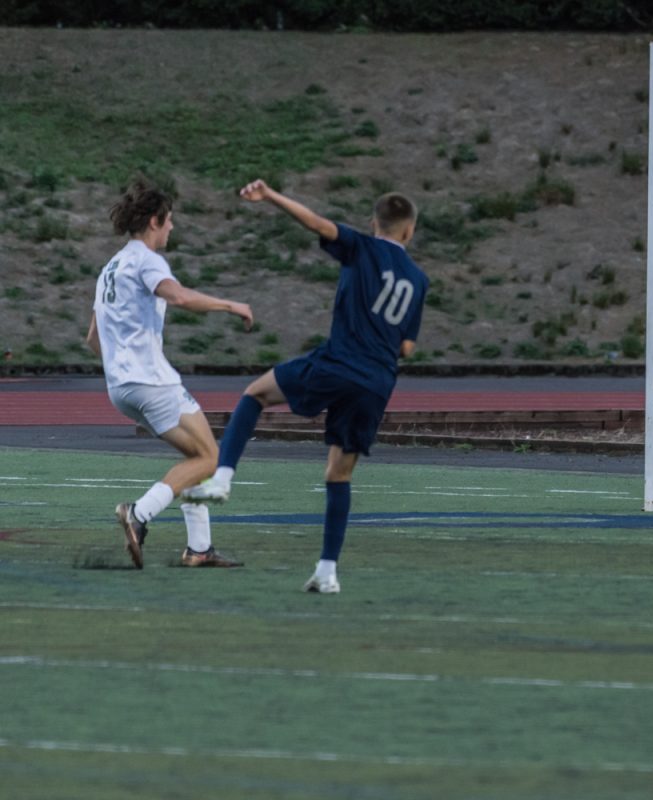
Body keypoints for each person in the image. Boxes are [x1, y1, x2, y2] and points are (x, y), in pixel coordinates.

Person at [183, 179, 428, 595]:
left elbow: (318, 224)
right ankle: (327, 571)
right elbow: (407, 346)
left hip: (340, 361)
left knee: (255, 394)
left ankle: (223, 479)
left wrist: (272, 196)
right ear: (409, 231)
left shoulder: (363, 247)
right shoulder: (418, 280)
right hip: (378, 382)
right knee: (339, 475)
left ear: (374, 224)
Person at [87, 178, 253, 569]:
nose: (173, 228)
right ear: (154, 221)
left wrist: (122, 362)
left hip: (120, 386)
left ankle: (199, 549)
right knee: (213, 458)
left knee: (195, 457)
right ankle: (139, 514)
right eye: (170, 221)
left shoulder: (109, 268)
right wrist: (231, 305)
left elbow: (93, 336)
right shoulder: (147, 260)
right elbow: (177, 296)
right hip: (150, 380)